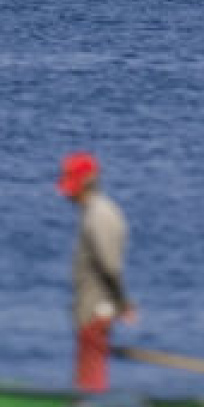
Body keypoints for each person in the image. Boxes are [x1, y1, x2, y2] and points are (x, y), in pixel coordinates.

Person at [60, 151, 136, 393]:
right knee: (87, 370)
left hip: (96, 308)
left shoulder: (99, 215)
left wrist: (122, 304)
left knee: (91, 377)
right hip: (91, 308)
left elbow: (110, 266)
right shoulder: (97, 212)